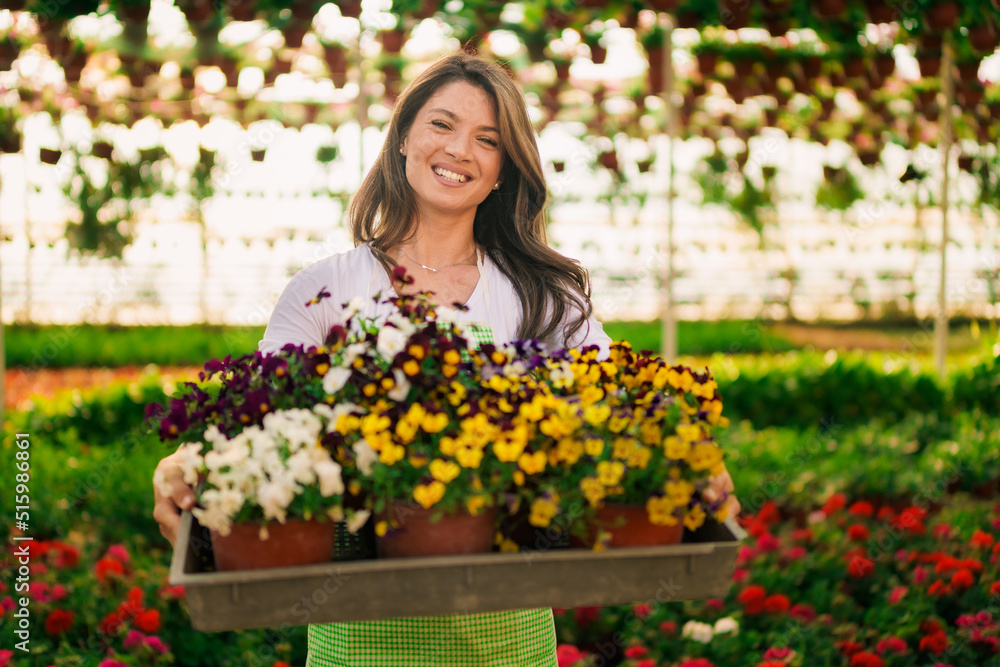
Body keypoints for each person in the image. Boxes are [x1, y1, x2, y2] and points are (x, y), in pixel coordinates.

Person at [153, 51, 740, 667]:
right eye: (441, 124)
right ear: (403, 137)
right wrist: (190, 459)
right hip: (358, 642)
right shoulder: (323, 293)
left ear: (501, 174)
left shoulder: (542, 299)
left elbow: (628, 411)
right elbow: (259, 426)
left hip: (507, 642)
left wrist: (686, 458)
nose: (460, 149)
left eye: (488, 140)